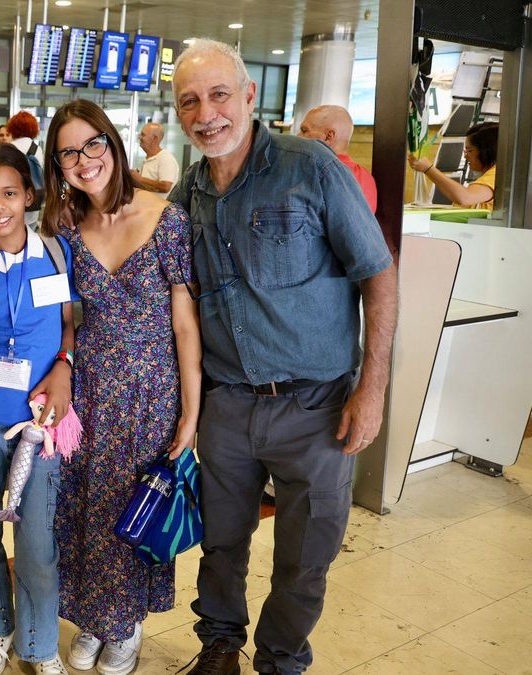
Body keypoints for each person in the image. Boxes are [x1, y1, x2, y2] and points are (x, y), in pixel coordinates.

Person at [167, 39, 396, 675]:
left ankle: (280, 658)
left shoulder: (310, 166)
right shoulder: (190, 193)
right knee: (221, 542)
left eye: (218, 95)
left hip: (318, 406)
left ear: (248, 97)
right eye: (190, 100)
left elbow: (378, 274)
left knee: (305, 553)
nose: (206, 112)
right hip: (228, 404)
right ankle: (219, 644)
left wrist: (373, 387)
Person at [42, 99, 201, 675]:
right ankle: (92, 617)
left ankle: (125, 624)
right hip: (89, 389)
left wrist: (190, 414)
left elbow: (186, 323)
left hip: (152, 391)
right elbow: (65, 315)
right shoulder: (64, 228)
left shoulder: (167, 218)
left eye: (93, 145)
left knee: (131, 507)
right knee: (82, 504)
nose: (83, 161)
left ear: (113, 144)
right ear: (57, 165)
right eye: (68, 153)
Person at [0, 143, 77, 675]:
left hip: (43, 419)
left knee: (37, 537)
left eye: (8, 192)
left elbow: (70, 322)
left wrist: (65, 363)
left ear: (28, 193)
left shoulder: (55, 253)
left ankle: (39, 641)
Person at [299, 105, 378, 213]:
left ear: (329, 136)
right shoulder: (366, 177)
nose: (298, 136)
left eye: (304, 131)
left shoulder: (313, 175)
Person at [408, 121, 499, 210]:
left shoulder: (496, 175)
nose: (465, 156)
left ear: (486, 152)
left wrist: (428, 169)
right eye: (465, 151)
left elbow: (465, 197)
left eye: (470, 151)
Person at [6, 112, 45, 226]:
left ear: (12, 128)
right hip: (32, 203)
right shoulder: (37, 149)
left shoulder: (8, 148)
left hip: (12, 204)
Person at [130, 122, 180, 198]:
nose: (140, 137)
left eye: (143, 135)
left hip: (159, 209)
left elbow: (165, 187)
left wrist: (140, 179)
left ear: (155, 138)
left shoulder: (165, 158)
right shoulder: (148, 158)